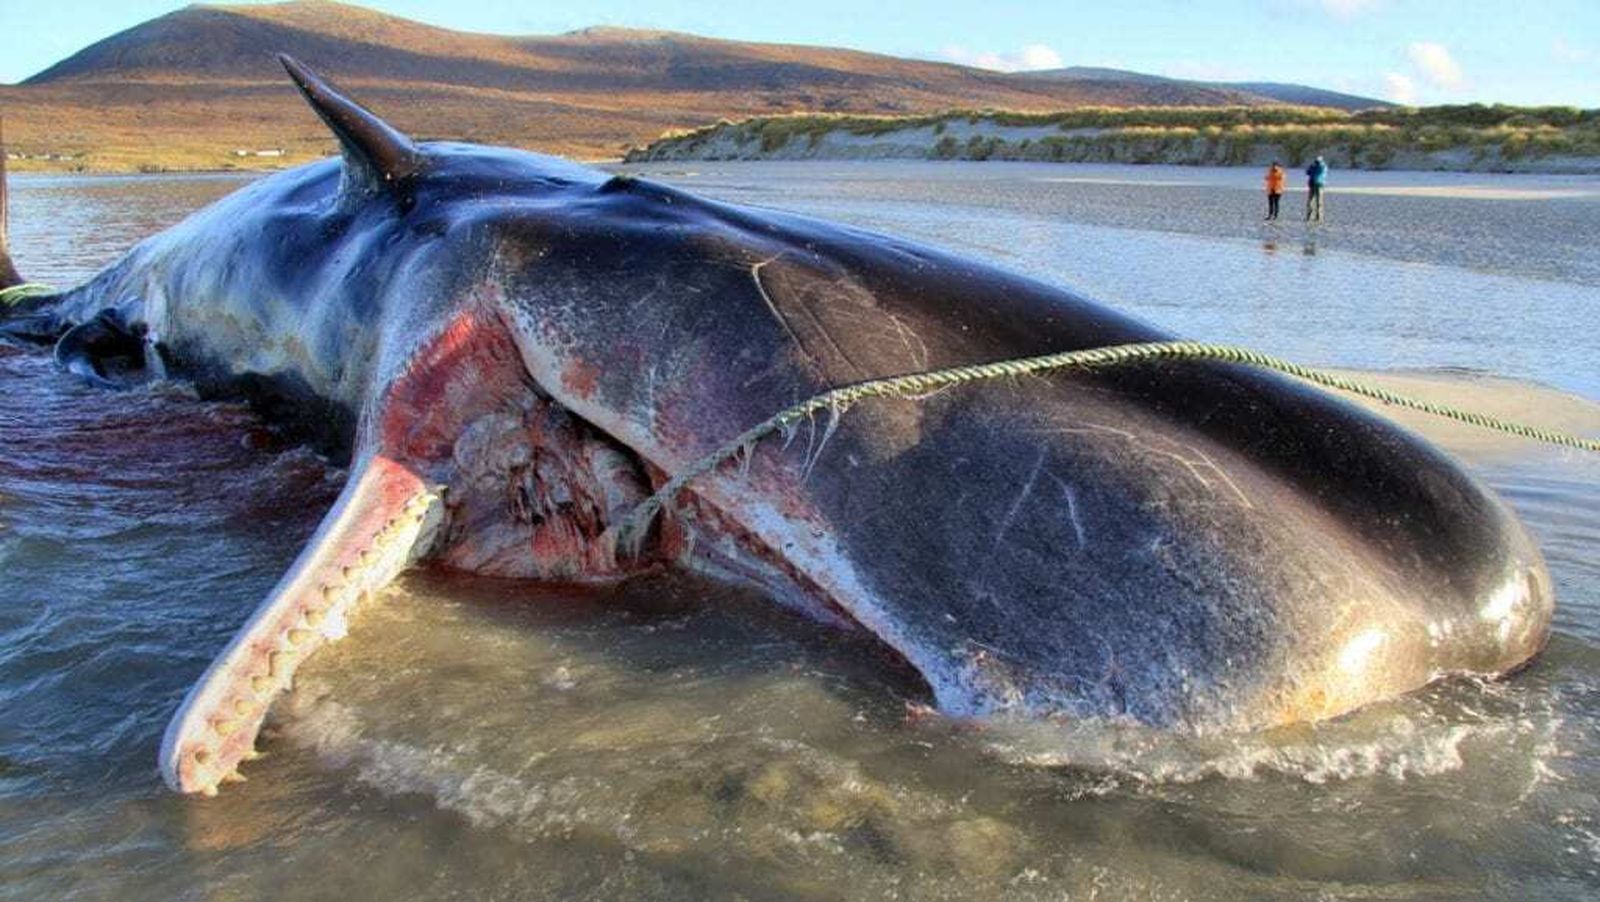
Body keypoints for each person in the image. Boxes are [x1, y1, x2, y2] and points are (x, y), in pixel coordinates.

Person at [1305, 155, 1328, 222]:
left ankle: (1319, 217)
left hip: (1319, 184)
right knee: (1310, 201)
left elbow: (1318, 173)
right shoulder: (1314, 166)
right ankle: (1309, 216)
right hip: (1312, 184)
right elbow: (1307, 172)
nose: (1316, 162)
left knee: (1319, 202)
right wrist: (1310, 168)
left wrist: (1312, 168)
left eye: (1318, 161)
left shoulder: (1323, 166)